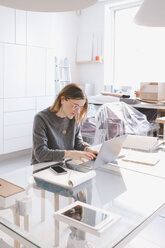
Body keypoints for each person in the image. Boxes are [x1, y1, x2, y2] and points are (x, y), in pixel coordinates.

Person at [31, 83, 98, 248]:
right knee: (80, 190)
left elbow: (78, 142)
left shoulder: (73, 118)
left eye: (80, 107)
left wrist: (89, 149)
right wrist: (70, 153)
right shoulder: (41, 118)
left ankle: (78, 237)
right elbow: (41, 153)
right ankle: (78, 238)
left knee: (88, 184)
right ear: (63, 99)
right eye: (75, 105)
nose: (77, 111)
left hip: (65, 166)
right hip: (43, 168)